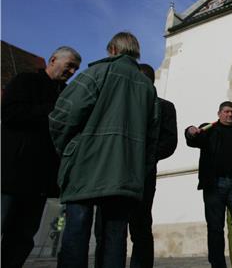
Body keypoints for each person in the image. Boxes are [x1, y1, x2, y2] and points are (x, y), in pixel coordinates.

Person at [49, 32, 158, 268]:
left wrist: (67, 149)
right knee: (114, 238)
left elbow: (62, 115)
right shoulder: (148, 88)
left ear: (113, 50)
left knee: (76, 233)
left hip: (84, 167)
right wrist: (139, 166)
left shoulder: (96, 73)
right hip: (125, 174)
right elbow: (152, 140)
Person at [1, 46, 81, 268]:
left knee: (23, 238)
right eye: (70, 65)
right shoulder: (25, 81)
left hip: (39, 181)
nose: (72, 71)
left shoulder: (66, 94)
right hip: (11, 173)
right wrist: (53, 112)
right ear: (53, 59)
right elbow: (9, 114)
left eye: (75, 68)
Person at [185, 101, 232, 268]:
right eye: (226, 112)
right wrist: (190, 131)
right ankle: (218, 265)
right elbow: (193, 138)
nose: (230, 115)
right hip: (214, 186)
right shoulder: (208, 130)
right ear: (219, 113)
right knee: (215, 229)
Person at [127, 63, 178, 268]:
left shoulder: (164, 106)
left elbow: (169, 142)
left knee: (140, 226)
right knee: (111, 226)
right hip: (117, 171)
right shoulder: (125, 103)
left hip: (145, 173)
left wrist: (147, 157)